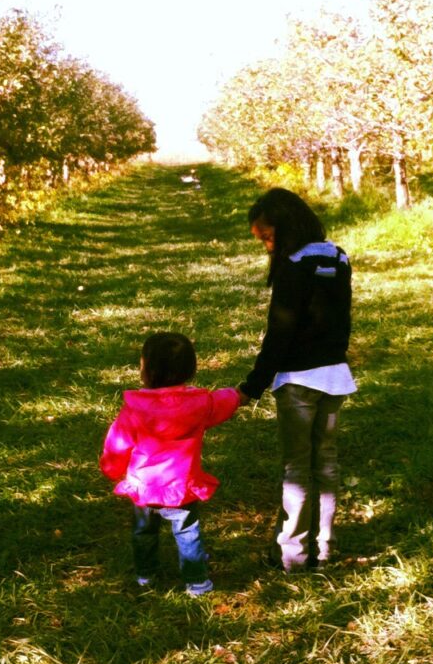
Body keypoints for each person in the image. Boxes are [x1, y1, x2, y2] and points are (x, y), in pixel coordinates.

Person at [237, 188, 356, 572]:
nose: (268, 247)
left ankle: (292, 555)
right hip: (335, 378)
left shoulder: (293, 264)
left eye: (269, 237)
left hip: (299, 382)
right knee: (327, 464)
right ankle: (325, 547)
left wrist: (253, 385)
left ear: (286, 229)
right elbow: (342, 321)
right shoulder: (336, 257)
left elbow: (280, 331)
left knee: (296, 468)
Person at [100, 332, 241, 596]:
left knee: (143, 533)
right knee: (188, 532)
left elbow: (117, 442)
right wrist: (238, 395)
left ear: (146, 370)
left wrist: (111, 469)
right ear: (190, 369)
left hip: (144, 488)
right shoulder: (200, 404)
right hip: (181, 487)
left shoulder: (134, 409)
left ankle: (146, 575)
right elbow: (223, 402)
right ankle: (197, 581)